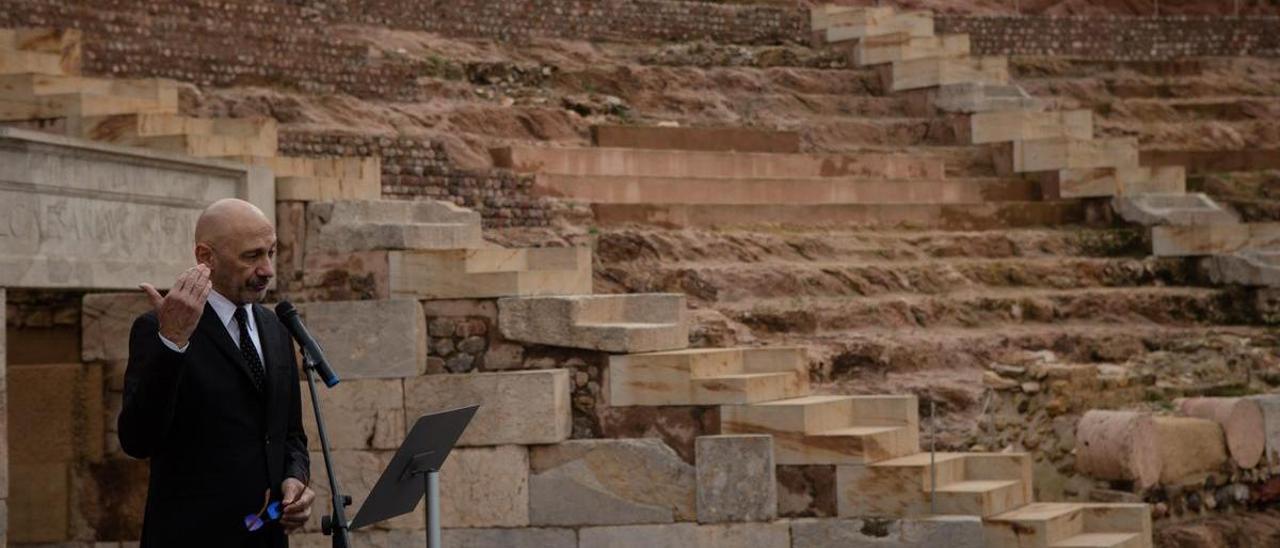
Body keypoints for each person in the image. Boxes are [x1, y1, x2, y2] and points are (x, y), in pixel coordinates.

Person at [119, 198, 315, 547]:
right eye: (252, 256)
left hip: (266, 537)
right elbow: (137, 439)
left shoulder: (275, 327)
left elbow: (290, 435)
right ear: (206, 257)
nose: (268, 269)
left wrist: (295, 479)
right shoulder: (159, 328)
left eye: (270, 252)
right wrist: (173, 343)